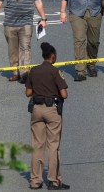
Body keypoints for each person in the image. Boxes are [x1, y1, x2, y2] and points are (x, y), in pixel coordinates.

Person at [26, 42, 70, 190]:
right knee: (53, 146)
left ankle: (35, 181)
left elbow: (28, 93)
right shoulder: (54, 71)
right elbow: (64, 94)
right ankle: (53, 180)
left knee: (37, 145)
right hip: (52, 110)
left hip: (37, 109)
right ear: (53, 56)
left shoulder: (34, 70)